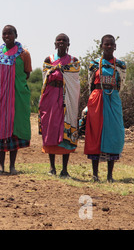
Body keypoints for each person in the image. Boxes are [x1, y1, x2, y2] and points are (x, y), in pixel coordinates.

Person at [84, 34, 126, 182]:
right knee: (95, 133)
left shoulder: (121, 65)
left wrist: (111, 95)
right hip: (96, 100)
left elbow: (121, 85)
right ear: (101, 46)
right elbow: (90, 84)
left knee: (114, 134)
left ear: (115, 46)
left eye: (111, 44)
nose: (108, 47)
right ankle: (95, 175)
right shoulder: (94, 64)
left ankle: (110, 175)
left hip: (113, 99)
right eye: (106, 44)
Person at [0, 25, 32, 175]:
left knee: (15, 129)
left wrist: (14, 84)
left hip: (18, 97)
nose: (7, 35)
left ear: (16, 35)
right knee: (1, 129)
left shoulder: (24, 54)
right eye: (4, 33)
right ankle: (1, 166)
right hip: (0, 97)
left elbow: (26, 74)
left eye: (10, 33)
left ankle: (12, 166)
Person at [38, 33, 80, 178]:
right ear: (55, 43)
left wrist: (60, 70)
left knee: (65, 128)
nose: (61, 42)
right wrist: (56, 70)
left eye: (64, 41)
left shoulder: (74, 61)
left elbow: (74, 80)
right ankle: (52, 167)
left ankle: (65, 169)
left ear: (68, 44)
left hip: (66, 98)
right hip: (50, 96)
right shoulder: (48, 60)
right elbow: (45, 77)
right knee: (50, 128)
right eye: (59, 40)